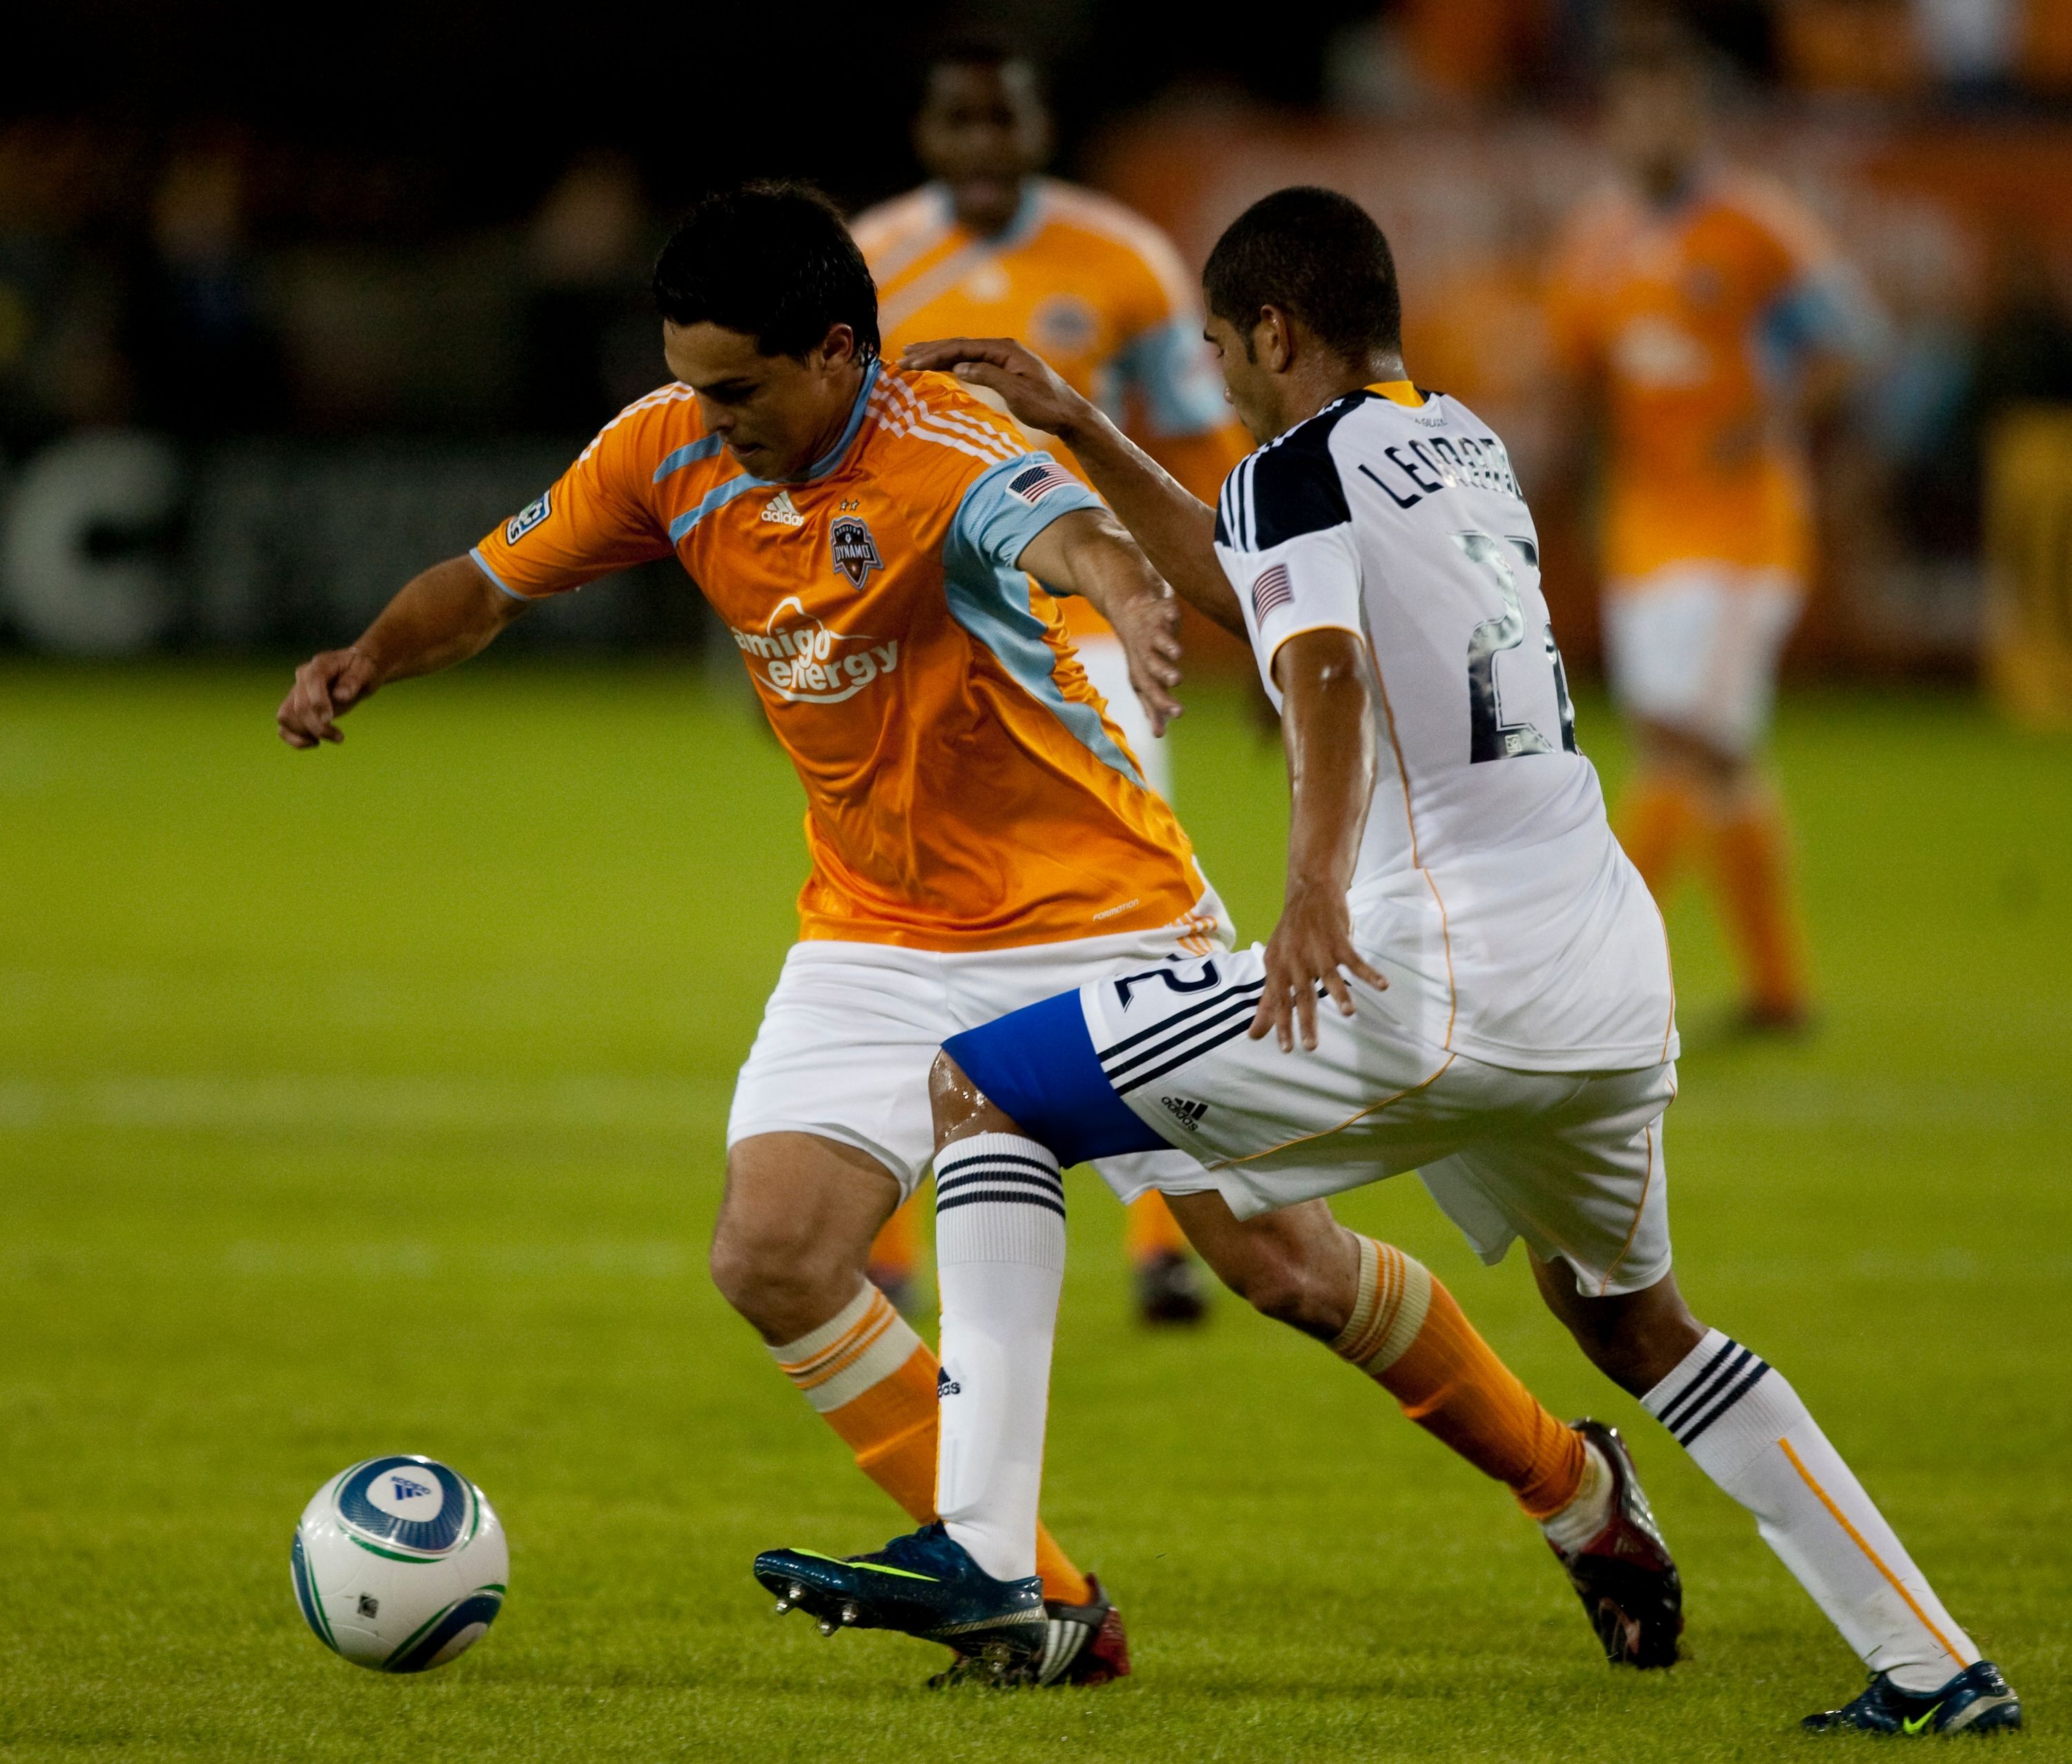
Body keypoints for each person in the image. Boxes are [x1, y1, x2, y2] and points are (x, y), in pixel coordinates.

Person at [274, 181, 1642, 1692]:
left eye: (738, 387)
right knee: (776, 1252)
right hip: (870, 930)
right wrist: (367, 659)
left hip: (1097, 916)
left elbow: (1069, 534)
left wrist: (1131, 596)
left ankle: (1574, 1488)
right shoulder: (663, 448)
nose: (709, 414)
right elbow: (483, 586)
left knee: (1286, 1270)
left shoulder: (944, 446)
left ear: (840, 353)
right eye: (690, 381)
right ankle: (1044, 1599)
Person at [754, 188, 2022, 1738]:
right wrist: (1083, 421)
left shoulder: (1297, 468)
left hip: (1435, 972)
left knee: (985, 1087)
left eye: (1219, 349)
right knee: (1638, 1324)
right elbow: (1248, 589)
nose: (1215, 377)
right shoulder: (1463, 443)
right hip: (1603, 967)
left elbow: (1326, 665)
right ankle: (1935, 1660)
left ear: (1274, 332)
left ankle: (989, 1555)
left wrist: (1305, 893)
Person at [852, 38, 1252, 1323]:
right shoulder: (864, 264)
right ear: (926, 131)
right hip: (922, 638)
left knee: (1131, 914)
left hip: (1097, 622)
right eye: (958, 120)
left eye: (1002, 120)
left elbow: (1195, 441)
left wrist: (1242, 614)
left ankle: (1164, 1234)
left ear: (1036, 128)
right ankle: (886, 1246)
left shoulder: (1125, 258)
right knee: (913, 918)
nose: (981, 145)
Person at [1544, 30, 1886, 1031]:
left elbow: (1855, 341)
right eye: (1633, 105)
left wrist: (1771, 418)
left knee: (1685, 744)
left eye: (1669, 105)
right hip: (1646, 530)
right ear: (1612, 121)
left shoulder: (1756, 227)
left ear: (1697, 118)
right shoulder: (1593, 243)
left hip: (1743, 529)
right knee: (1712, 756)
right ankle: (1781, 992)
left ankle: (1579, 972)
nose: (1650, 124)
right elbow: (1580, 389)